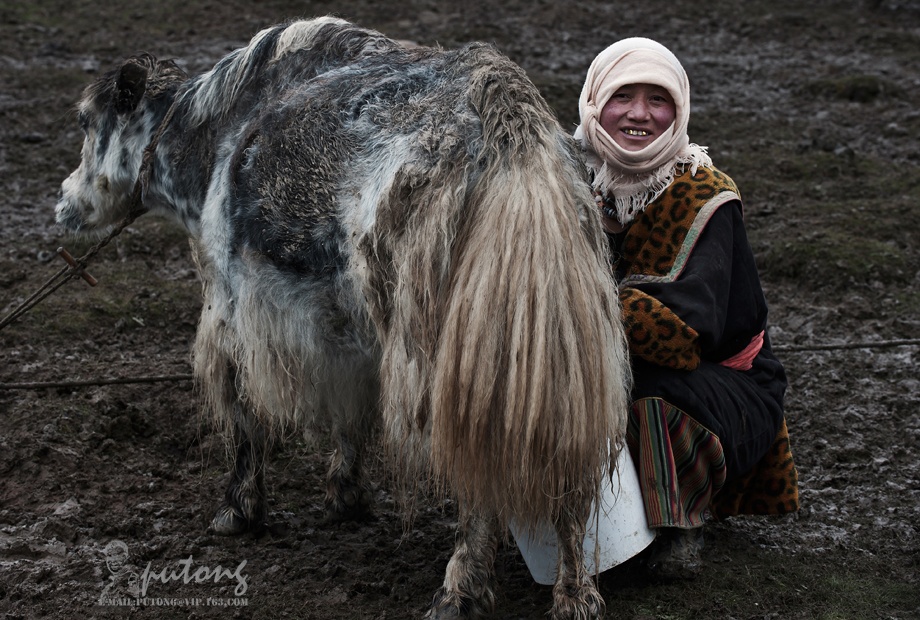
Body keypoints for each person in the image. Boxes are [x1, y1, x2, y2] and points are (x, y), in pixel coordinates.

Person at [574, 37, 799, 579]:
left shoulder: (705, 197)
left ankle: (678, 527)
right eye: (623, 95)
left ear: (680, 110)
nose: (640, 114)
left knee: (647, 387)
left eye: (659, 99)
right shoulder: (570, 184)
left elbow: (677, 336)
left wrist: (568, 298)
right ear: (593, 102)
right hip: (606, 357)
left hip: (717, 386)